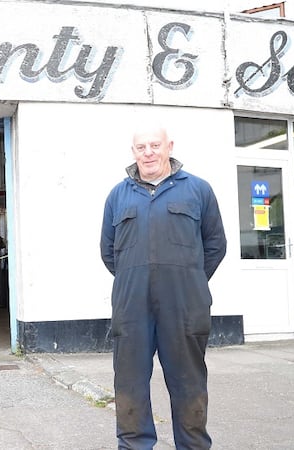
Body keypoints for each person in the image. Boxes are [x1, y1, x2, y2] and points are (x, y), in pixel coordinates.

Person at [100, 125, 226, 449]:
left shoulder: (198, 190)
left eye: (155, 145)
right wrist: (136, 278)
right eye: (141, 147)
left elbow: (215, 245)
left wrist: (188, 280)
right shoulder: (118, 195)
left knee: (189, 386)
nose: (148, 153)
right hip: (131, 309)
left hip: (184, 307)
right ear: (133, 152)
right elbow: (108, 250)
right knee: (130, 387)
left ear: (169, 146)